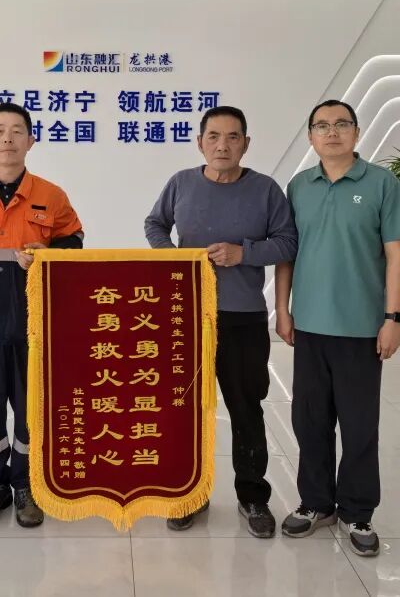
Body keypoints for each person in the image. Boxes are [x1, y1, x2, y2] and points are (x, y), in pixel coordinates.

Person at [144, 105, 297, 538]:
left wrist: (244, 253)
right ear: (200, 143)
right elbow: (155, 224)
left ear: (246, 144)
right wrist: (174, 258)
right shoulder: (181, 183)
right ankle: (189, 493)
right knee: (186, 409)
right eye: (213, 136)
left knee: (245, 407)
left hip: (243, 318)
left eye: (232, 137)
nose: (222, 145)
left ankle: (252, 496)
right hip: (186, 316)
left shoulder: (265, 190)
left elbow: (287, 243)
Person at [276, 99, 400, 557]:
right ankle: (316, 503)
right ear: (310, 136)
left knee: (358, 426)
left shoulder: (381, 183)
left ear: (356, 132)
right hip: (310, 326)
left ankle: (358, 510)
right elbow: (288, 254)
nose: (331, 132)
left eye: (341, 124)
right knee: (310, 421)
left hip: (361, 329)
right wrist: (282, 309)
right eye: (322, 125)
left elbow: (397, 255)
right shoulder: (299, 186)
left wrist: (393, 318)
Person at [0, 102, 84, 529]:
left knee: (31, 409)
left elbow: (76, 242)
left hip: (34, 323)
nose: (8, 138)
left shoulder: (51, 196)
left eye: (17, 130)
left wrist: (49, 250)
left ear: (31, 140)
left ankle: (26, 484)